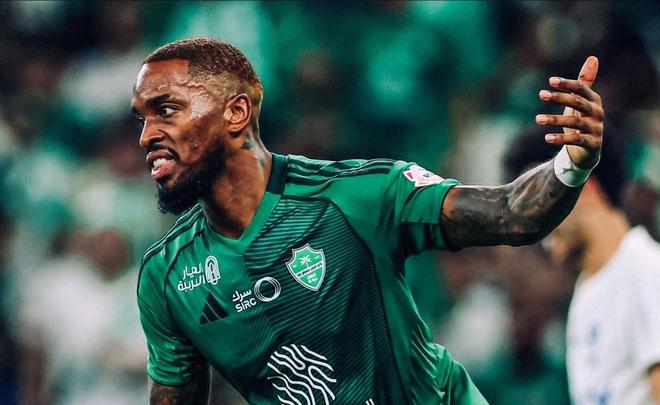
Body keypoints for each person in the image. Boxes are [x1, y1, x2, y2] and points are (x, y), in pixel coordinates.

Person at [132, 38, 605, 404]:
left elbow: (512, 213)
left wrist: (572, 161)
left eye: (166, 110)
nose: (147, 136)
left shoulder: (356, 196)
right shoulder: (168, 277)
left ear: (236, 112)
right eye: (142, 119)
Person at [505, 129, 660, 404]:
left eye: (540, 201)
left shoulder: (646, 270)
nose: (534, 220)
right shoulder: (587, 290)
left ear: (586, 190)